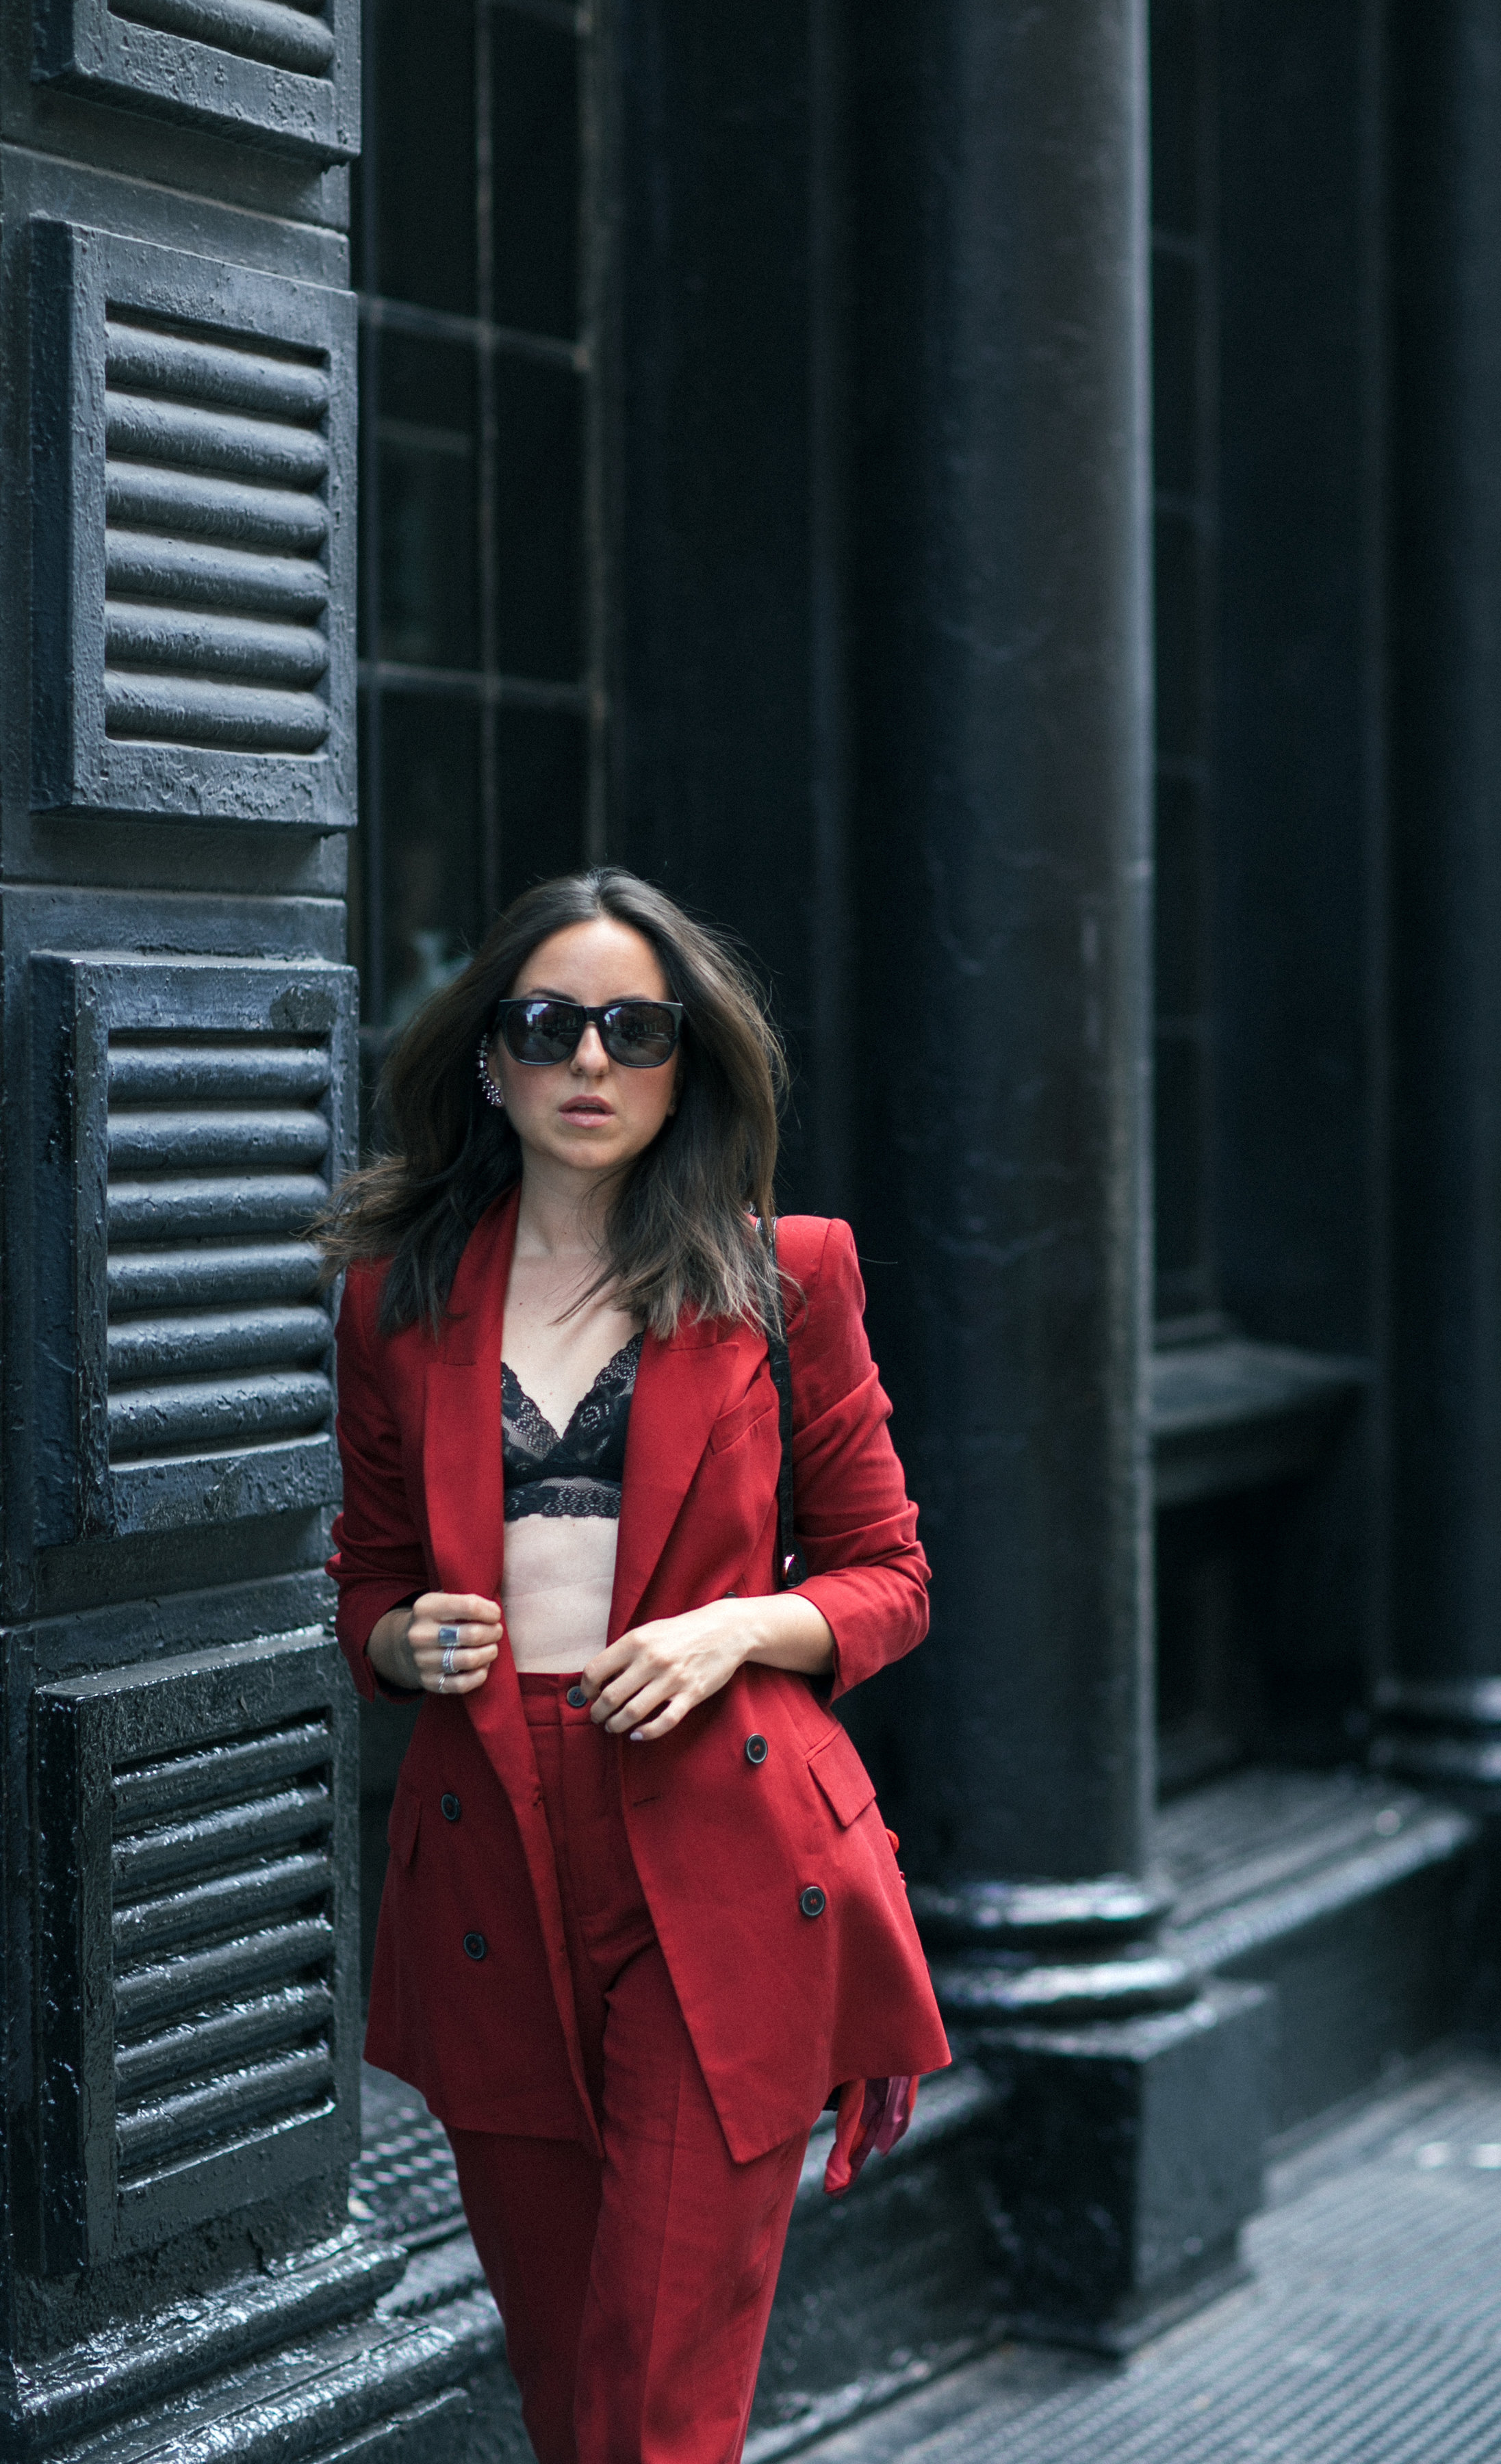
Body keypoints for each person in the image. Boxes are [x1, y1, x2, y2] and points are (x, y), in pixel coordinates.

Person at [320, 868, 949, 2463]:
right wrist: (396, 1635)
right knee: (563, 2375)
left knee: (656, 2384)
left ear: (686, 1063)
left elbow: (890, 1579)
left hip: (724, 1848)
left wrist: (739, 1626)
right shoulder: (396, 1300)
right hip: (491, 1848)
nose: (589, 1063)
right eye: (548, 1026)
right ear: (489, 1057)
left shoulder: (785, 1278)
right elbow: (370, 1576)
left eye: (634, 1029)